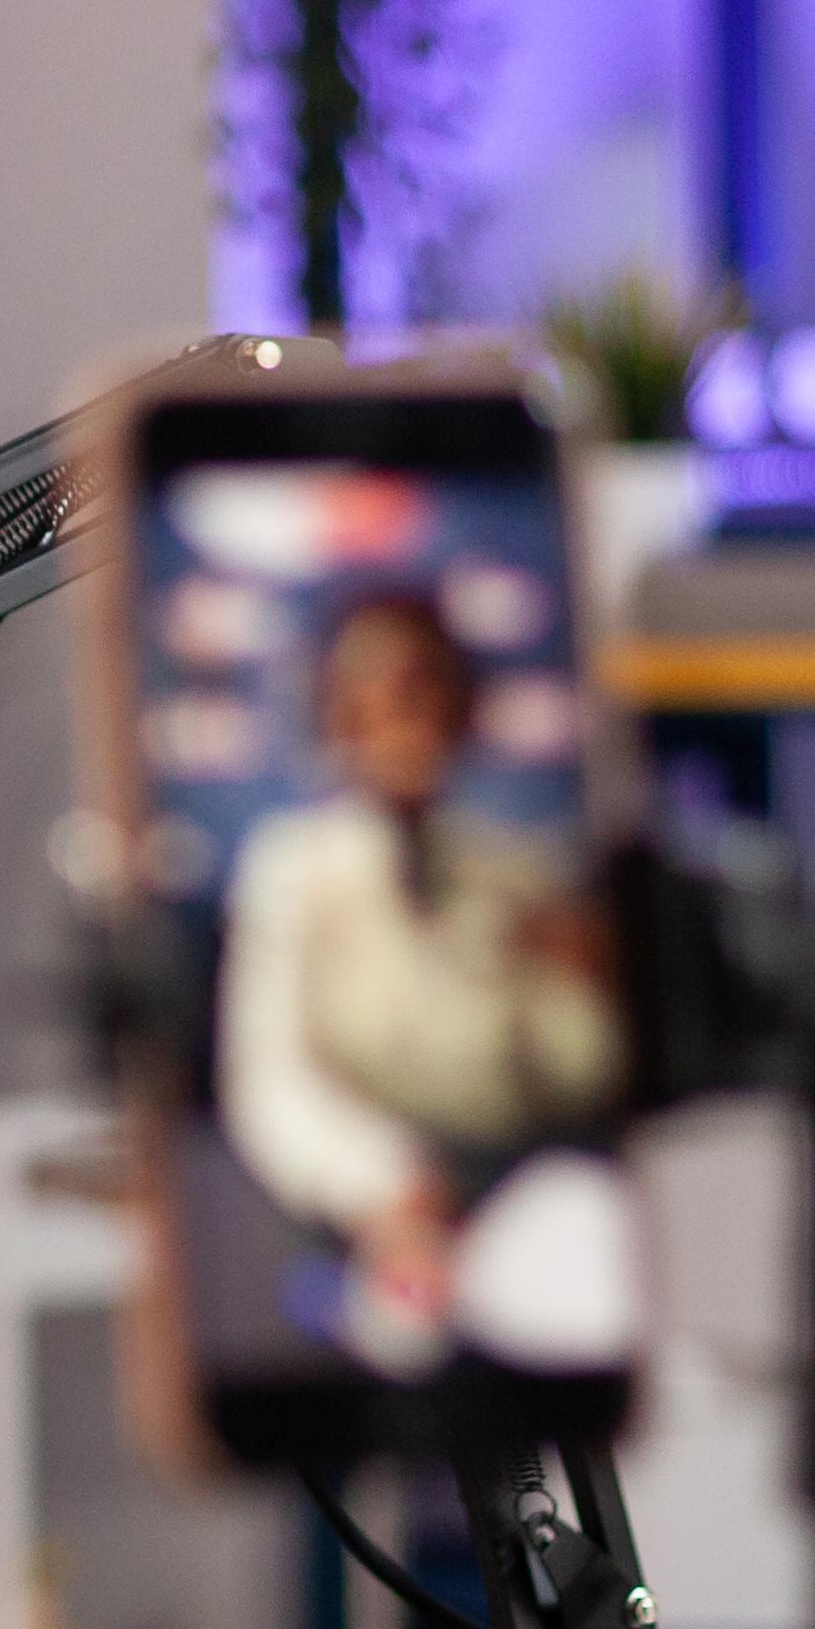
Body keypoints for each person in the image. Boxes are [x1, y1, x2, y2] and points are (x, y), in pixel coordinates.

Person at [211, 587, 619, 1371]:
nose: (402, 721)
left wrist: (581, 977)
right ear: (336, 715)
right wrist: (382, 1188)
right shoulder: (295, 869)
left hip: (529, 1199)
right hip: (372, 1214)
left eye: (423, 690)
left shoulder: (515, 871)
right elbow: (268, 1078)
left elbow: (579, 1073)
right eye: (374, 697)